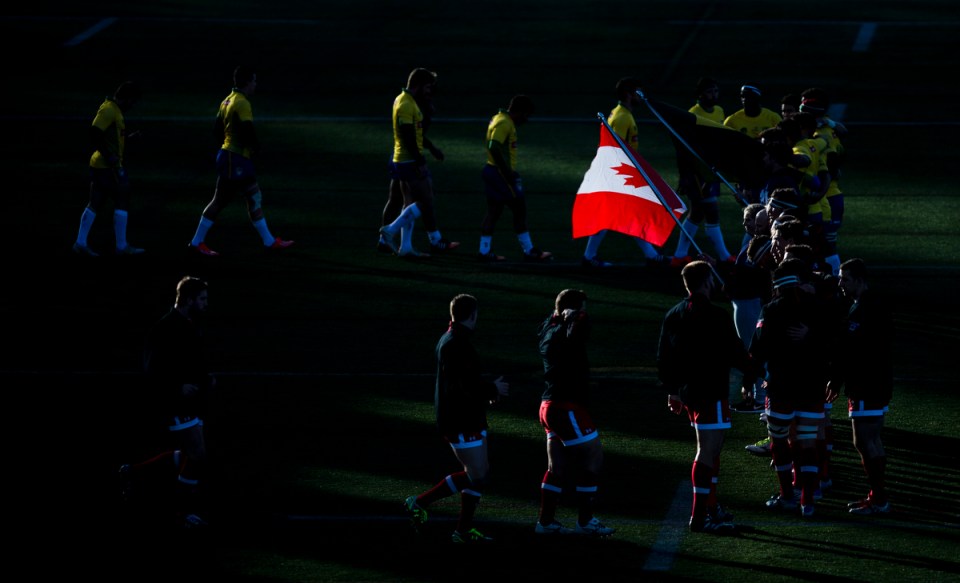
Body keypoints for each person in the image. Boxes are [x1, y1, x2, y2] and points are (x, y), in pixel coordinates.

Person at [403, 294, 509, 543]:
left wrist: (486, 394)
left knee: (478, 473)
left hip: (467, 415)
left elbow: (461, 381)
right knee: (477, 475)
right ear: (472, 314)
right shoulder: (456, 343)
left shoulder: (451, 339)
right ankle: (419, 503)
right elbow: (463, 385)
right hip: (460, 419)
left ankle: (462, 531)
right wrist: (492, 390)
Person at [659, 261, 753, 534]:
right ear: (707, 282)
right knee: (708, 451)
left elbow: (664, 356)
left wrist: (673, 390)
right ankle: (700, 516)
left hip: (689, 392)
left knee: (711, 451)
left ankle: (710, 507)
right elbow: (735, 351)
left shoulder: (674, 313)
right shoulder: (716, 315)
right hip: (711, 391)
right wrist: (753, 375)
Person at [120, 276, 214, 528]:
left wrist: (205, 380)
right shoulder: (166, 328)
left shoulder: (188, 323)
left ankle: (133, 472)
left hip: (191, 401)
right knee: (197, 456)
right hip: (177, 403)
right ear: (188, 300)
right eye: (202, 299)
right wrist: (178, 388)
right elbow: (153, 370)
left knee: (187, 455)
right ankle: (182, 513)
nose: (207, 304)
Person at [745, 259, 836, 518]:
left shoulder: (771, 310)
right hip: (811, 388)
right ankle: (807, 500)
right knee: (807, 442)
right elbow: (833, 343)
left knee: (779, 441)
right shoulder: (817, 309)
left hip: (780, 388)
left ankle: (787, 495)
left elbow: (757, 349)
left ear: (776, 286)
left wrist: (748, 381)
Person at [188, 66, 293, 256]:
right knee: (220, 200)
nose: (255, 84)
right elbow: (247, 129)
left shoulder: (226, 100)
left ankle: (269, 241)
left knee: (254, 196)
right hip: (234, 159)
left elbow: (217, 131)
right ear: (246, 82)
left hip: (232, 156)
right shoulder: (242, 103)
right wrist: (254, 147)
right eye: (254, 80)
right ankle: (196, 242)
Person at [535, 289, 614, 536]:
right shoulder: (563, 331)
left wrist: (563, 316)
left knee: (556, 465)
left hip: (549, 406)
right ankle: (585, 521)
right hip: (565, 406)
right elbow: (574, 335)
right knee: (593, 456)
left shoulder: (548, 328)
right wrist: (571, 319)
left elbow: (554, 324)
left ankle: (546, 522)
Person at [581, 77, 671, 269]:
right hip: (618, 174)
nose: (641, 96)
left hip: (619, 173)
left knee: (632, 215)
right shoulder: (622, 117)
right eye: (637, 92)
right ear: (629, 94)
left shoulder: (622, 114)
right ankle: (589, 257)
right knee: (616, 215)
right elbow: (616, 148)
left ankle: (651, 256)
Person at [827, 258, 894, 515]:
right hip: (876, 382)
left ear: (859, 280)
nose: (840, 283)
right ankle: (878, 497)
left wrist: (837, 377)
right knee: (871, 440)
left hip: (866, 385)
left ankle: (878, 498)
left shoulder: (863, 310)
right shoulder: (873, 305)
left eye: (845, 279)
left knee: (864, 441)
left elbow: (853, 351)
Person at [378, 68, 459, 258]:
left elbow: (415, 133)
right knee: (425, 201)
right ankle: (390, 231)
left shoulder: (404, 100)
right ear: (420, 85)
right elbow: (408, 135)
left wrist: (429, 148)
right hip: (408, 159)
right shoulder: (406, 104)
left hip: (403, 158)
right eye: (428, 87)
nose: (430, 91)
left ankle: (405, 247)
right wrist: (419, 159)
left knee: (408, 203)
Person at [73, 81, 145, 257]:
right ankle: (121, 246)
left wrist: (128, 137)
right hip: (107, 166)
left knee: (96, 201)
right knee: (123, 196)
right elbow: (94, 133)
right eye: (133, 101)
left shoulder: (114, 110)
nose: (133, 105)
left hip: (101, 165)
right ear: (125, 98)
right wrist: (109, 155)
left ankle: (80, 243)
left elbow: (109, 135)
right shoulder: (109, 110)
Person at [477, 95, 552, 262]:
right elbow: (494, 146)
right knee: (519, 209)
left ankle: (484, 251)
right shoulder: (505, 123)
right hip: (499, 173)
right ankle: (529, 251)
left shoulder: (499, 118)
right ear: (519, 111)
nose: (526, 120)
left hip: (491, 170)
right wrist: (507, 173)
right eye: (526, 115)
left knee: (494, 211)